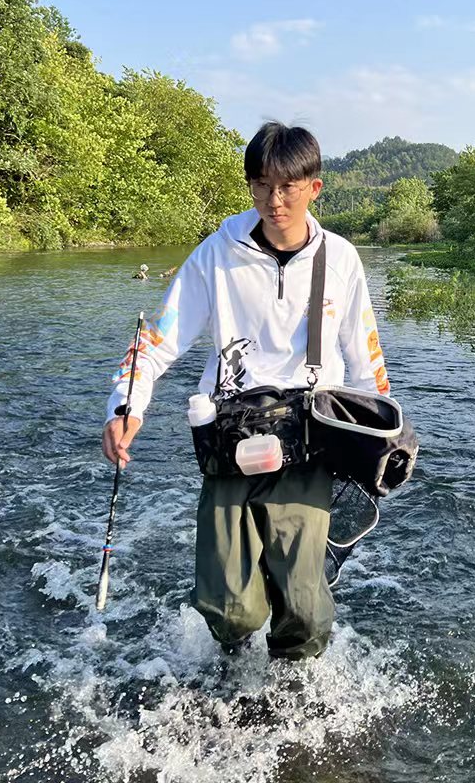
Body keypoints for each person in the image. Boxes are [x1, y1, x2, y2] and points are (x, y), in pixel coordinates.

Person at [102, 121, 391, 660]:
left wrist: (383, 435)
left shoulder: (342, 259)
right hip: (228, 440)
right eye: (260, 184)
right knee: (231, 609)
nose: (273, 200)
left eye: (286, 186)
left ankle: (291, 698)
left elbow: (365, 355)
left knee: (304, 613)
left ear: (314, 187)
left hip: (311, 442)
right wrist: (126, 407)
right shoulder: (217, 254)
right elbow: (159, 339)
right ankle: (232, 664)